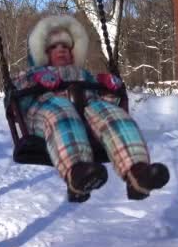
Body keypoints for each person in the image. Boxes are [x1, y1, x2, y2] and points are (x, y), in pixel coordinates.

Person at [12, 15, 169, 202]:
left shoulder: (84, 75)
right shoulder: (34, 72)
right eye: (53, 47)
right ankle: (77, 172)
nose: (61, 50)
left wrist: (109, 87)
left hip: (84, 114)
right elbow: (16, 91)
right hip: (46, 112)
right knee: (61, 109)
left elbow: (106, 100)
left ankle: (138, 172)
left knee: (112, 113)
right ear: (43, 54)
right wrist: (35, 78)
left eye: (65, 46)